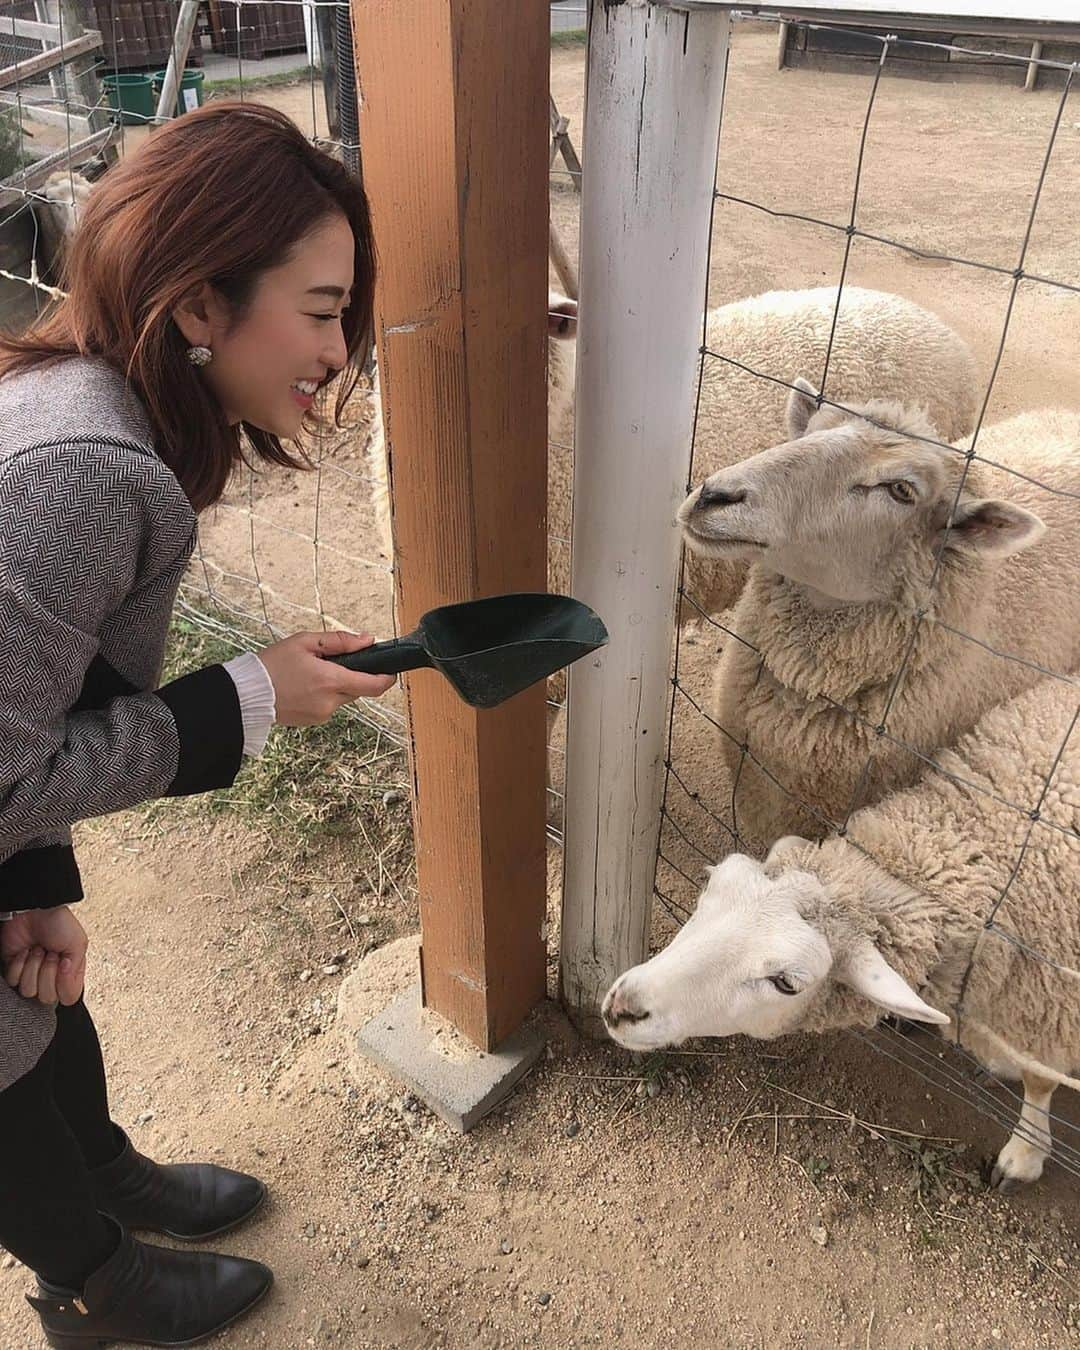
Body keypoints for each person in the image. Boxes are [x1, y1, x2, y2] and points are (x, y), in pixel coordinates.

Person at [0, 101, 395, 1348]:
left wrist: (28, 884)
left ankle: (103, 1170)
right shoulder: (78, 472)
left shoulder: (80, 400)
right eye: (325, 311)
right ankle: (93, 1284)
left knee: (39, 984)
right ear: (196, 308)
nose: (341, 354)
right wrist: (248, 700)